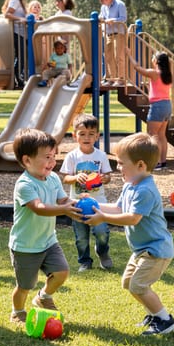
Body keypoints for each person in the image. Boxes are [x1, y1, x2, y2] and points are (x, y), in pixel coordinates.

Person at [84, 133, 174, 335]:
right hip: (142, 249)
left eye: (121, 163)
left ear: (140, 165)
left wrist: (102, 218)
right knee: (128, 283)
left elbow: (132, 218)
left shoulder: (145, 190)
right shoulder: (130, 185)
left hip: (156, 249)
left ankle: (165, 320)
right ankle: (153, 313)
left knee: (138, 285)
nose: (118, 168)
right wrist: (93, 205)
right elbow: (118, 208)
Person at [8, 129, 82, 324]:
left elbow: (63, 199)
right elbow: (38, 208)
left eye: (54, 156)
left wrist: (75, 202)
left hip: (48, 240)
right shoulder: (24, 184)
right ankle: (17, 311)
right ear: (27, 161)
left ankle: (44, 296)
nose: (53, 161)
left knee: (62, 272)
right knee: (24, 286)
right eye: (47, 157)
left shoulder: (53, 178)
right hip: (25, 245)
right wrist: (64, 210)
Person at [60, 114, 113, 272]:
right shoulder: (72, 156)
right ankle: (85, 261)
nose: (87, 137)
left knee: (101, 231)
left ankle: (102, 252)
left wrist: (105, 178)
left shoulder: (101, 156)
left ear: (97, 136)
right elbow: (65, 178)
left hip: (98, 203)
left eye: (91, 134)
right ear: (74, 136)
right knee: (81, 238)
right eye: (82, 134)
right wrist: (76, 177)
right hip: (77, 203)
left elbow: (108, 176)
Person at [132, 52, 172, 169]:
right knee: (161, 135)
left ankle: (156, 162)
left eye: (153, 58)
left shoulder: (154, 73)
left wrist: (129, 55)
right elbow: (158, 89)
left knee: (152, 135)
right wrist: (149, 87)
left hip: (157, 106)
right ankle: (163, 162)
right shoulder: (167, 75)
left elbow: (137, 68)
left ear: (156, 61)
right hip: (167, 105)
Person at [96, 0, 128, 86]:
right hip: (108, 34)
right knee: (108, 56)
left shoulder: (120, 4)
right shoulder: (103, 7)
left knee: (118, 56)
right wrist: (100, 18)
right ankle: (111, 78)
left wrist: (113, 20)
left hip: (118, 33)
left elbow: (123, 18)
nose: (101, 2)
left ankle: (121, 78)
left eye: (102, 0)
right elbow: (101, 16)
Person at [2, 0, 29, 88]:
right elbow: (7, 14)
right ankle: (17, 78)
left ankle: (18, 78)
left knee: (22, 56)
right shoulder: (15, 0)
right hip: (17, 33)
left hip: (22, 33)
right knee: (21, 56)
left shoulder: (19, 2)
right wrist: (20, 19)